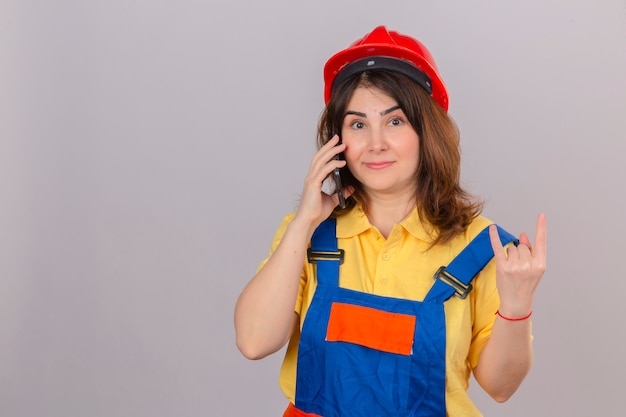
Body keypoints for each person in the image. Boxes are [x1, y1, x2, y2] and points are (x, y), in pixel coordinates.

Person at [234, 25, 547, 417]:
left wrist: (516, 308)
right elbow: (253, 342)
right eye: (358, 124)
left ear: (427, 131)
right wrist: (302, 224)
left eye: (395, 122)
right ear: (339, 139)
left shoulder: (482, 246)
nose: (376, 143)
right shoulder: (309, 234)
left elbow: (500, 388)